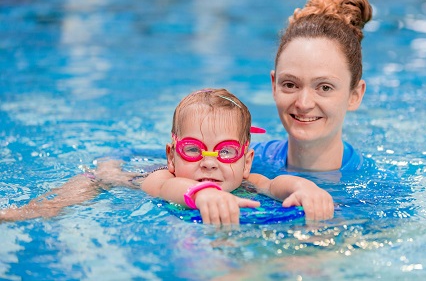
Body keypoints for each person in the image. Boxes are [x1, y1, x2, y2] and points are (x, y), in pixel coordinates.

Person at [1, 88, 333, 225]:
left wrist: (304, 189)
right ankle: (31, 210)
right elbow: (165, 190)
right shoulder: (167, 178)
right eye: (193, 149)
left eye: (226, 152)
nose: (209, 161)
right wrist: (199, 193)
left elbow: (276, 185)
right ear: (172, 156)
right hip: (121, 180)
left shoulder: (246, 180)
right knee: (89, 183)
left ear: (246, 161)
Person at [251, 0, 373, 172]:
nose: (303, 103)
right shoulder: (244, 165)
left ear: (354, 95)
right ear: (274, 86)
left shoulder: (376, 191)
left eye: (324, 87)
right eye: (290, 84)